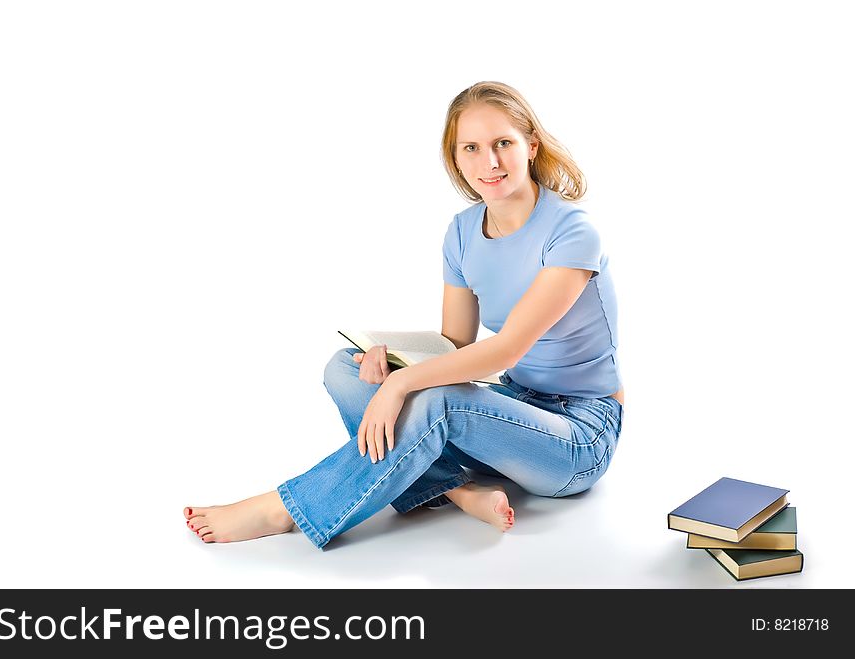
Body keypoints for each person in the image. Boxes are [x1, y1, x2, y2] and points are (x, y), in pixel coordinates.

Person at [183, 81, 625, 550]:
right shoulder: (461, 232)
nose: (489, 162)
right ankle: (458, 489)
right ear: (456, 160)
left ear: (531, 146)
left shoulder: (573, 233)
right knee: (345, 366)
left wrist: (401, 384)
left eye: (503, 144)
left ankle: (285, 508)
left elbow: (507, 347)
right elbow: (454, 343)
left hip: (578, 434)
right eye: (471, 148)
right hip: (510, 408)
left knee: (433, 402)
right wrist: (392, 362)